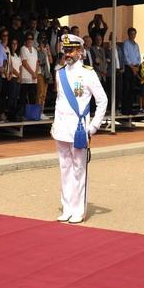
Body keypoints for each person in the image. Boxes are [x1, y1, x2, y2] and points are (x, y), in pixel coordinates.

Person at [51, 33, 107, 224]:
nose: (67, 53)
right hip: (61, 128)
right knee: (64, 168)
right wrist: (55, 125)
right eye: (65, 50)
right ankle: (66, 207)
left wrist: (93, 126)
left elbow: (102, 101)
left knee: (78, 169)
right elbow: (59, 101)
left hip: (79, 129)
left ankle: (78, 209)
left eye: (71, 50)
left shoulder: (88, 73)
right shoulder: (59, 73)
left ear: (80, 52)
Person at [121, 27, 141, 113]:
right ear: (128, 34)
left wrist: (137, 66)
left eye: (134, 34)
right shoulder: (125, 44)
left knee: (132, 89)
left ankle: (130, 108)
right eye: (131, 34)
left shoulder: (136, 45)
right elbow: (125, 56)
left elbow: (138, 56)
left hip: (135, 68)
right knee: (127, 88)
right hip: (128, 68)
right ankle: (125, 109)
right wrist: (132, 67)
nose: (133, 35)